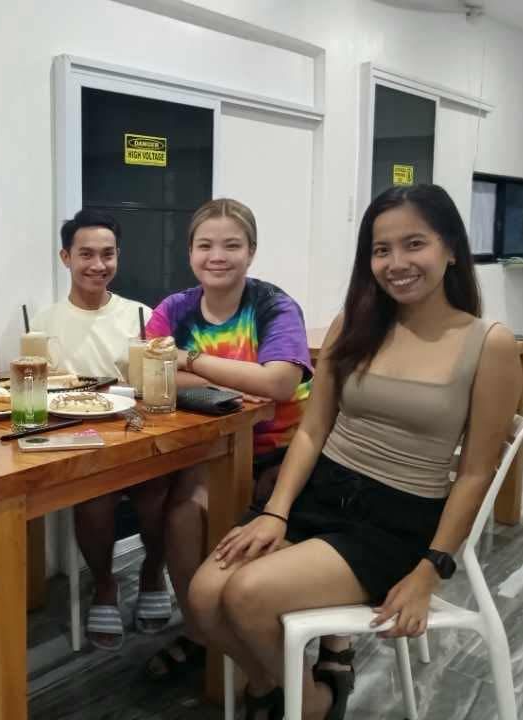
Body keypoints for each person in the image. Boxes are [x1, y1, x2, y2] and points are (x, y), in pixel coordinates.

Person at [187, 184, 520, 719]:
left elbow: (476, 473)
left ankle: (303, 701)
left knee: (247, 595)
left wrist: (431, 569)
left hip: (395, 519)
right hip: (321, 490)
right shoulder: (355, 323)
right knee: (204, 601)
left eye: (415, 244)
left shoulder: (489, 343)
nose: (396, 263)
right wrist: (276, 510)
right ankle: (292, 688)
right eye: (381, 249)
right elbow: (313, 431)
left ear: (451, 247)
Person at [144, 197, 315, 680]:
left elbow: (280, 383)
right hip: (214, 451)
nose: (216, 256)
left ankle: (259, 637)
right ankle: (202, 633)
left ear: (251, 252)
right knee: (181, 516)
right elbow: (146, 376)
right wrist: (245, 378)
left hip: (282, 456)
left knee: (243, 526)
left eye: (231, 245)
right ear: (190, 252)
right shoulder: (175, 308)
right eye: (205, 245)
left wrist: (189, 362)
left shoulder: (273, 305)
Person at [31, 209, 169, 650]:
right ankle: (105, 585)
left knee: (157, 492)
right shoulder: (43, 322)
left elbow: (156, 385)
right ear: (65, 257)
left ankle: (152, 573)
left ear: (118, 258)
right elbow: (31, 390)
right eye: (86, 254)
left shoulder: (142, 316)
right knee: (93, 497)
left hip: (134, 428)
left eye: (107, 254)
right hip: (78, 436)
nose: (98, 265)